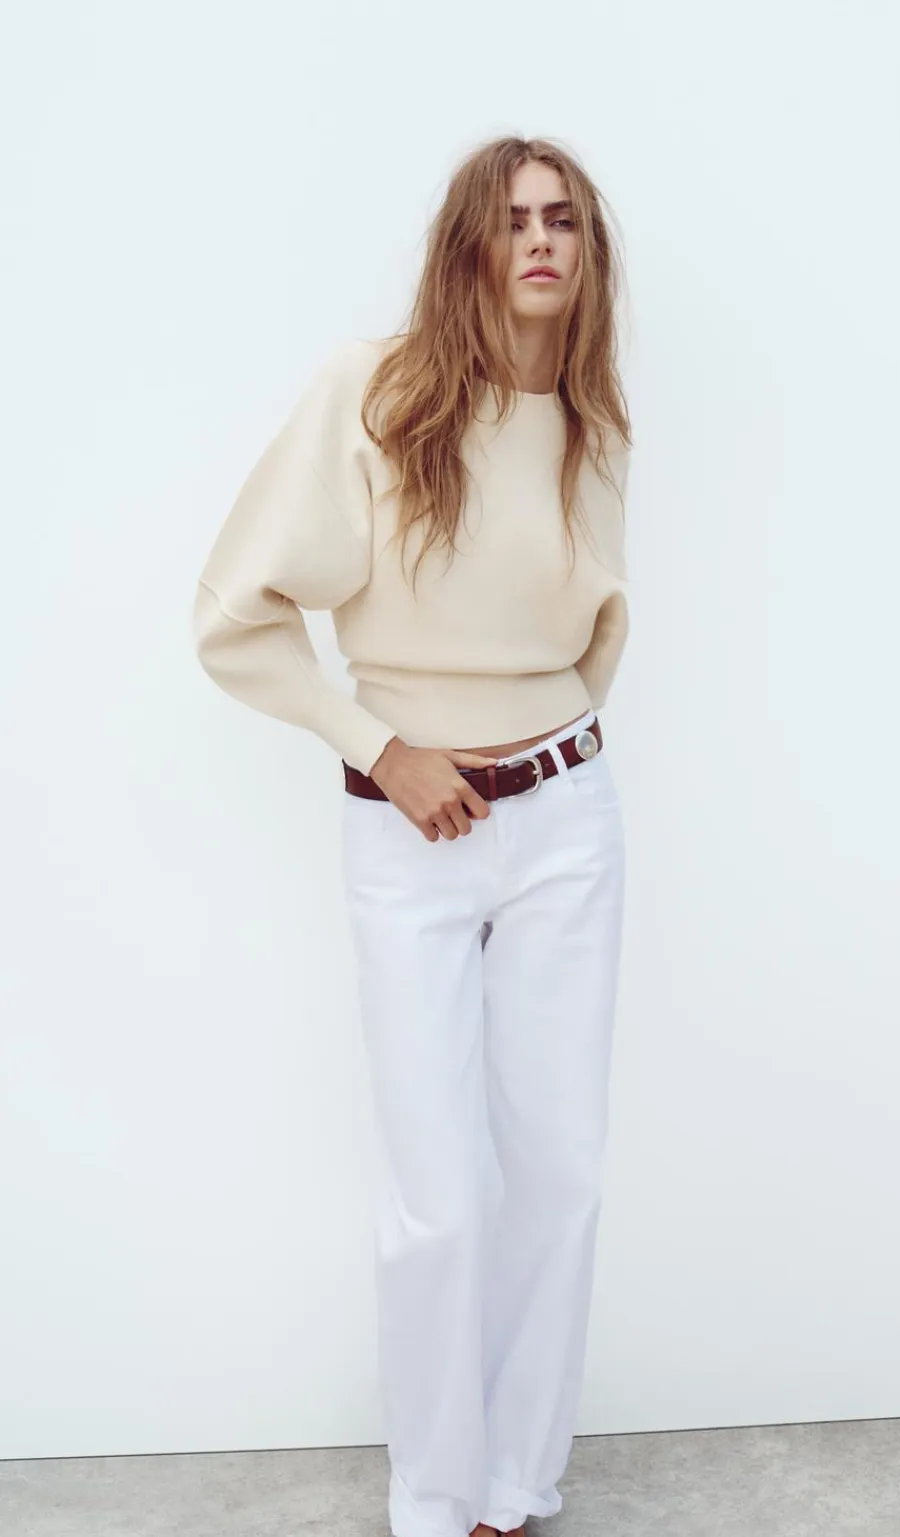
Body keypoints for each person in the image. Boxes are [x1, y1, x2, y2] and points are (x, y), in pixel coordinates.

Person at [193, 134, 632, 1537]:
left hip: (567, 820)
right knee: (438, 1194)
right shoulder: (375, 395)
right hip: (408, 829)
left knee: (558, 1176)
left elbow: (595, 633)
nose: (542, 241)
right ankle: (437, 1496)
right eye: (515, 222)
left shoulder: (592, 422)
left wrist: (540, 758)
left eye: (565, 220)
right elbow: (235, 615)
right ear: (469, 248)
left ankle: (518, 1481)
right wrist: (382, 744)